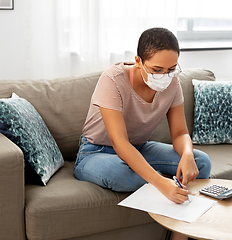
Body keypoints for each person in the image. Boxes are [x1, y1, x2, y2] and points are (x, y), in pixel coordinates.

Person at [74, 27, 211, 240]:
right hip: (96, 152)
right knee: (124, 175)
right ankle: (169, 189)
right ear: (138, 61)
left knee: (201, 162)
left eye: (171, 68)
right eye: (156, 69)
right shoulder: (113, 79)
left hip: (140, 147)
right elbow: (119, 142)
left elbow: (180, 132)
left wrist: (187, 154)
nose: (164, 76)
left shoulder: (172, 81)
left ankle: (178, 230)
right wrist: (160, 181)